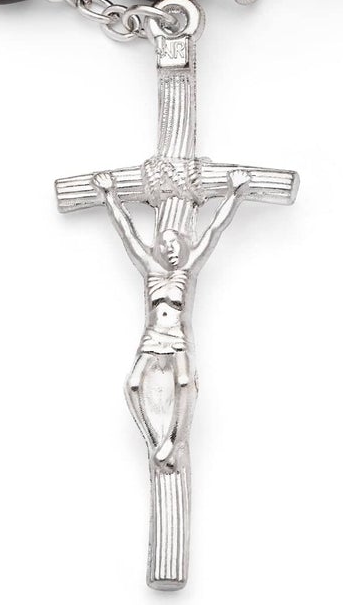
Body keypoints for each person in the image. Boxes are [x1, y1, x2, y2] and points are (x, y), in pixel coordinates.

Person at [91, 168, 250, 471]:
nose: (170, 249)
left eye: (175, 244)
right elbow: (126, 232)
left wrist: (234, 193)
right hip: (152, 337)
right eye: (164, 246)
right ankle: (155, 443)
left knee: (185, 381)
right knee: (133, 384)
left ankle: (175, 440)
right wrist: (110, 195)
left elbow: (215, 229)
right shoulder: (149, 267)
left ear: (184, 246)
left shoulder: (189, 268)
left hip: (177, 337)